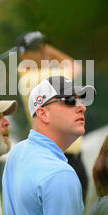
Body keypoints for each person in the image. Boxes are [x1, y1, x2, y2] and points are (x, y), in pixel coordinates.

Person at [2, 75, 96, 215]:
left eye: (81, 100)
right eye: (70, 100)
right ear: (43, 114)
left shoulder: (17, 153)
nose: (82, 107)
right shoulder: (61, 174)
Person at [17, 31, 89, 201]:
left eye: (44, 47)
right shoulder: (33, 79)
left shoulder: (39, 74)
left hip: (72, 157)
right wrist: (50, 51)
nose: (44, 53)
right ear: (24, 56)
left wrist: (42, 48)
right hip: (59, 158)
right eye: (38, 49)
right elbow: (74, 66)